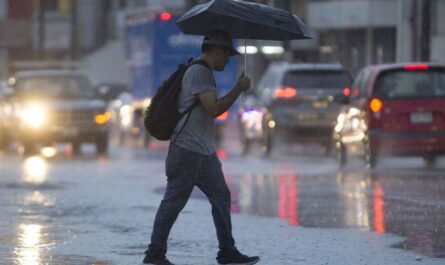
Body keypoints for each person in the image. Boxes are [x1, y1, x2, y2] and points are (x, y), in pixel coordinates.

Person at [143, 30, 260, 265]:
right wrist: (238, 89)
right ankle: (154, 255)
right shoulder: (199, 72)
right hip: (187, 150)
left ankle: (227, 251)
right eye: (227, 56)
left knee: (221, 197)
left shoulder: (202, 72)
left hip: (203, 151)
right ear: (217, 51)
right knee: (174, 202)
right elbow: (213, 108)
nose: (227, 61)